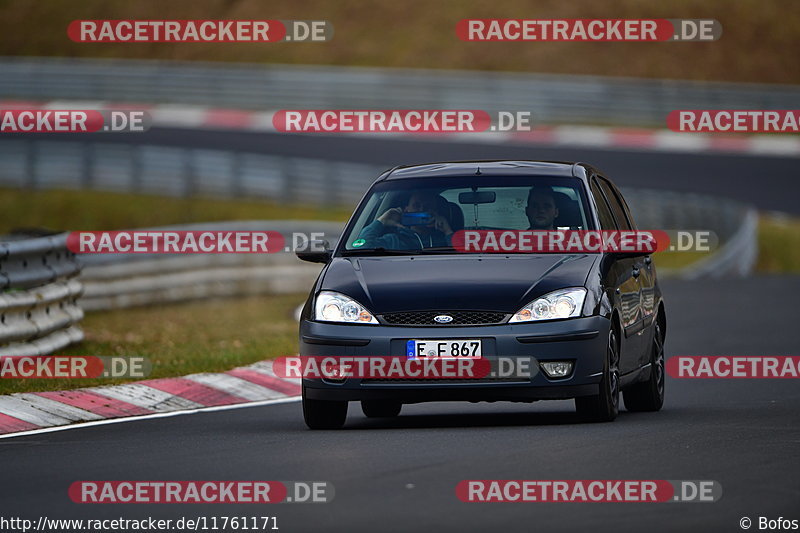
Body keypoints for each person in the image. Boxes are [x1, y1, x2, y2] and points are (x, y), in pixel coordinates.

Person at [358, 191, 453, 249]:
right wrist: (381, 221)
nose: (421, 209)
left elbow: (461, 259)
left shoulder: (444, 241)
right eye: (416, 205)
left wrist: (447, 231)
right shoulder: (393, 240)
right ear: (406, 210)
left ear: (435, 211)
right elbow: (361, 248)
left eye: (427, 207)